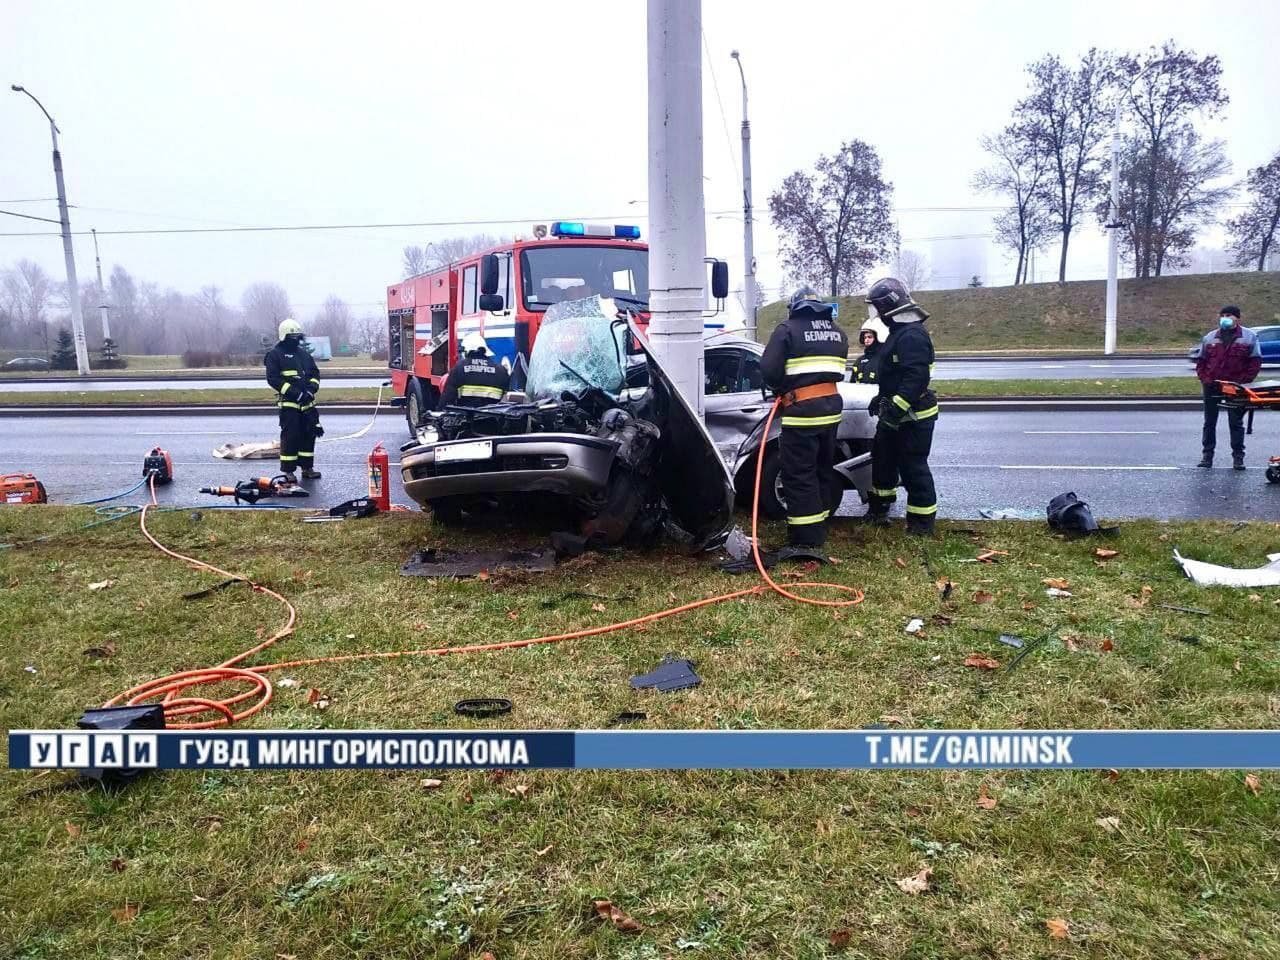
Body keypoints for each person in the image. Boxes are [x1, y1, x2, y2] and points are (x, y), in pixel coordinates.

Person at [760, 287, 850, 550]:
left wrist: (780, 389)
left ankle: (806, 539)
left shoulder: (787, 329)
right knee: (822, 468)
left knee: (799, 474)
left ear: (794, 307)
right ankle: (819, 525)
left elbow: (769, 369)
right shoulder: (838, 332)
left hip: (802, 412)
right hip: (831, 409)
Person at [864, 277, 938, 535]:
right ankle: (879, 511)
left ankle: (921, 525)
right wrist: (881, 398)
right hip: (896, 415)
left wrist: (896, 407)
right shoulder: (898, 334)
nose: (876, 315)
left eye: (876, 308)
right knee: (883, 462)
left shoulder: (913, 335)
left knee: (913, 468)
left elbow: (916, 378)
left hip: (914, 417)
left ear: (887, 307)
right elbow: (894, 375)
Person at [1194, 305, 1261, 470]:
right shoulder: (1210, 337)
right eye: (1222, 315)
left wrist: (1243, 382)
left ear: (1237, 318)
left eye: (1229, 315)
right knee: (1209, 422)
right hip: (1212, 385)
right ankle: (1207, 456)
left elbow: (1255, 362)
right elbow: (1201, 362)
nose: (1225, 317)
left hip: (1235, 387)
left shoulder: (1249, 336)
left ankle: (1238, 457)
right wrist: (1205, 379)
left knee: (1236, 422)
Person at [264, 318, 322, 482]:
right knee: (290, 437)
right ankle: (288, 471)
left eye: (298, 336)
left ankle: (307, 468)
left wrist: (311, 390)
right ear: (284, 336)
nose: (296, 339)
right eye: (292, 336)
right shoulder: (275, 355)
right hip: (290, 406)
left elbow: (314, 374)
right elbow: (273, 379)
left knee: (308, 435)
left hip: (308, 406)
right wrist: (296, 393)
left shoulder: (304, 355)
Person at [439, 333, 510, 408]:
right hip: (493, 417)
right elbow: (507, 399)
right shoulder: (501, 370)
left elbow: (447, 398)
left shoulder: (459, 368)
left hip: (466, 417)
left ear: (466, 351)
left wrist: (439, 413)